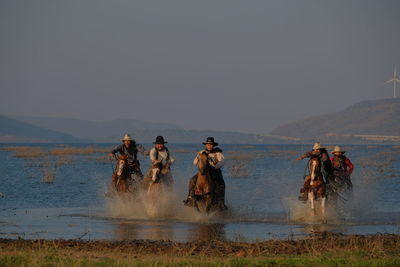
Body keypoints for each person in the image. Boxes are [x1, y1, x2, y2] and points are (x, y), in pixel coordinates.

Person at [183, 137, 227, 210]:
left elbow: (222, 162)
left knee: (221, 183)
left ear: (213, 145)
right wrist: (198, 157)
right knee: (192, 180)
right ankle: (190, 198)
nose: (209, 146)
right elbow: (194, 163)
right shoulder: (202, 152)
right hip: (203, 171)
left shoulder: (217, 153)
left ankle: (221, 202)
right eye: (208, 144)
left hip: (214, 171)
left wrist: (215, 166)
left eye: (211, 144)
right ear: (206, 145)